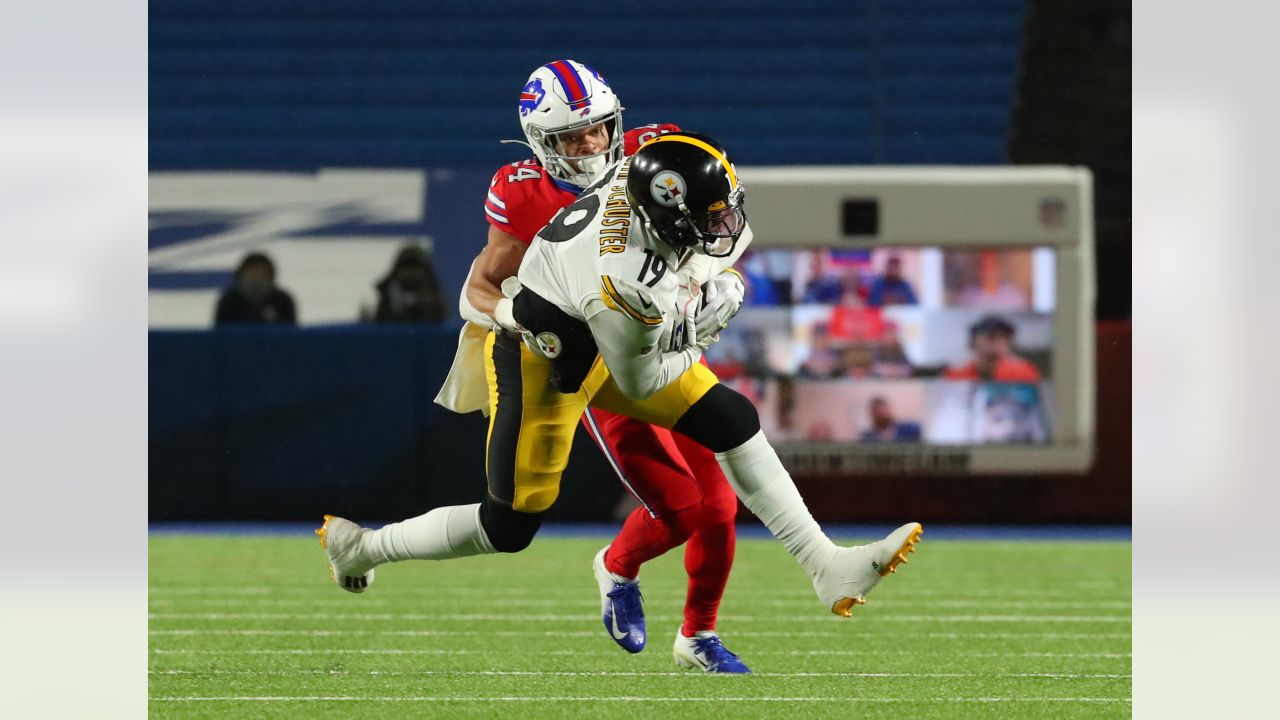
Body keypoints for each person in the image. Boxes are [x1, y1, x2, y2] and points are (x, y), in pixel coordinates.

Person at [317, 132, 923, 649]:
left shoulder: (648, 178)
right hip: (545, 356)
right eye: (706, 221)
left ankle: (827, 566)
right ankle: (363, 547)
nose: (723, 226)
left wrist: (715, 283)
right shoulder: (623, 282)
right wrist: (695, 323)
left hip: (610, 330)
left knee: (731, 417)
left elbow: (722, 243)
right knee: (511, 525)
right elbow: (640, 374)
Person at [384, 61, 747, 672]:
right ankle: (616, 567)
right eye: (573, 137)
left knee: (721, 504)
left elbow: (721, 222)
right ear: (540, 143)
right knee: (681, 509)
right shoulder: (522, 191)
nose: (591, 145)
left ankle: (699, 637)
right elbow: (479, 287)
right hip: (601, 368)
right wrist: (518, 319)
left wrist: (719, 277)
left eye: (599, 130)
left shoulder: (652, 155)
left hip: (667, 346)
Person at [360, 244, 446, 323]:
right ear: (396, 271)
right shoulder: (381, 298)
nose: (411, 273)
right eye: (406, 267)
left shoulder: (436, 301)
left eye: (416, 268)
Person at [944, 314, 1043, 382]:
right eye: (991, 337)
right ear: (974, 340)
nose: (999, 343)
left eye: (1005, 338)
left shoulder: (1024, 372)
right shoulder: (955, 374)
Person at [213, 251, 297, 326]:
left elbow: (291, 334)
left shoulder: (282, 301)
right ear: (241, 275)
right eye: (252, 272)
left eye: (262, 272)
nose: (257, 277)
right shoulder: (229, 302)